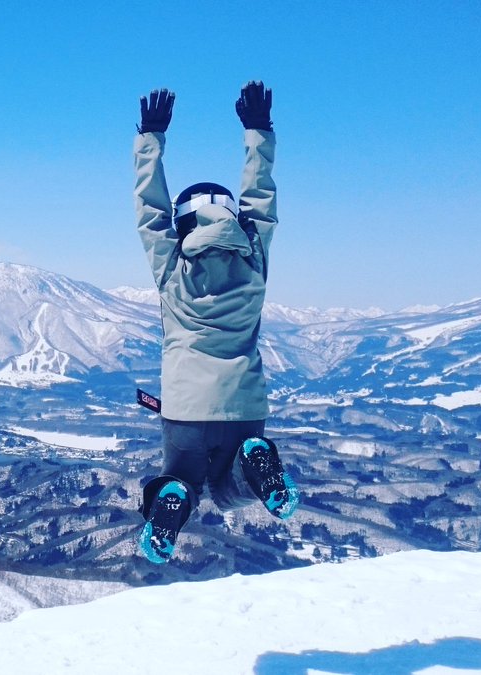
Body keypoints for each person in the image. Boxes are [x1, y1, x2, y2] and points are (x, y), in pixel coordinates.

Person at [133, 82, 299, 564]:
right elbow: (261, 201)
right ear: (230, 216)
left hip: (185, 405)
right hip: (244, 404)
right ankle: (253, 459)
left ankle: (174, 500)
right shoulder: (253, 261)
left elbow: (149, 214)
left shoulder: (172, 271)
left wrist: (150, 139)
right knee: (229, 491)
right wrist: (257, 131)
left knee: (184, 483)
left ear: (183, 223)